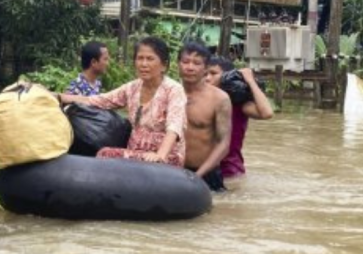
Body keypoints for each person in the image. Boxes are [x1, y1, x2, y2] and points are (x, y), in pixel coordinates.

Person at [58, 36, 187, 167]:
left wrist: (160, 155)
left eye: (150, 59)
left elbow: (174, 127)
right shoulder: (132, 88)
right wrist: (59, 97)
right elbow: (99, 100)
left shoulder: (174, 90)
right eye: (140, 58)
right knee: (104, 153)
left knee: (105, 155)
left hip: (165, 157)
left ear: (164, 65)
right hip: (134, 153)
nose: (143, 64)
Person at [205, 56, 274, 179]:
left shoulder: (239, 105)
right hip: (203, 169)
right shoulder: (197, 100)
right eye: (205, 74)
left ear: (226, 77)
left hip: (229, 172)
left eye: (213, 73)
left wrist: (250, 81)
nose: (207, 78)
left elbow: (267, 113)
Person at [178, 42, 231, 192]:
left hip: (206, 173)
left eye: (196, 63)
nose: (190, 67)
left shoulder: (219, 99)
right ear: (178, 64)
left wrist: (198, 176)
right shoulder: (168, 93)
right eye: (185, 62)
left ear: (206, 68)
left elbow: (224, 144)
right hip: (172, 171)